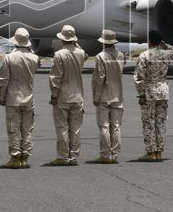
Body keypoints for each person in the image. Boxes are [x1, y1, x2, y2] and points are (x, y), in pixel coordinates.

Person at [133, 30, 173, 162]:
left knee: (149, 122)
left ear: (150, 41)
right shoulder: (165, 54)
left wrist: (141, 94)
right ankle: (159, 151)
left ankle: (150, 152)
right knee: (161, 122)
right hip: (163, 91)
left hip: (149, 92)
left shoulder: (145, 55)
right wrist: (166, 46)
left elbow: (139, 77)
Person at [0, 28, 39, 168]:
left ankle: (15, 158)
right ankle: (25, 157)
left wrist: (1, 96)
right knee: (27, 129)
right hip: (29, 96)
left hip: (13, 97)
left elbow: (3, 79)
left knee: (14, 129)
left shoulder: (9, 57)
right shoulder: (34, 58)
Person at [49, 25, 87, 166]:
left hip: (63, 96)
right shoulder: (81, 53)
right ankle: (74, 155)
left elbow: (55, 78)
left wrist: (54, 95)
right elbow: (83, 53)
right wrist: (75, 44)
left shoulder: (59, 55)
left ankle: (63, 156)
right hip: (78, 95)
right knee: (75, 128)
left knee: (62, 127)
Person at [92, 30, 126, 164]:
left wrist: (96, 96)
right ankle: (115, 154)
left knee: (104, 126)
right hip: (118, 94)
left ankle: (106, 155)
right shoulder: (121, 55)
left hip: (104, 95)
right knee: (116, 126)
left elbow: (99, 79)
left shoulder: (101, 56)